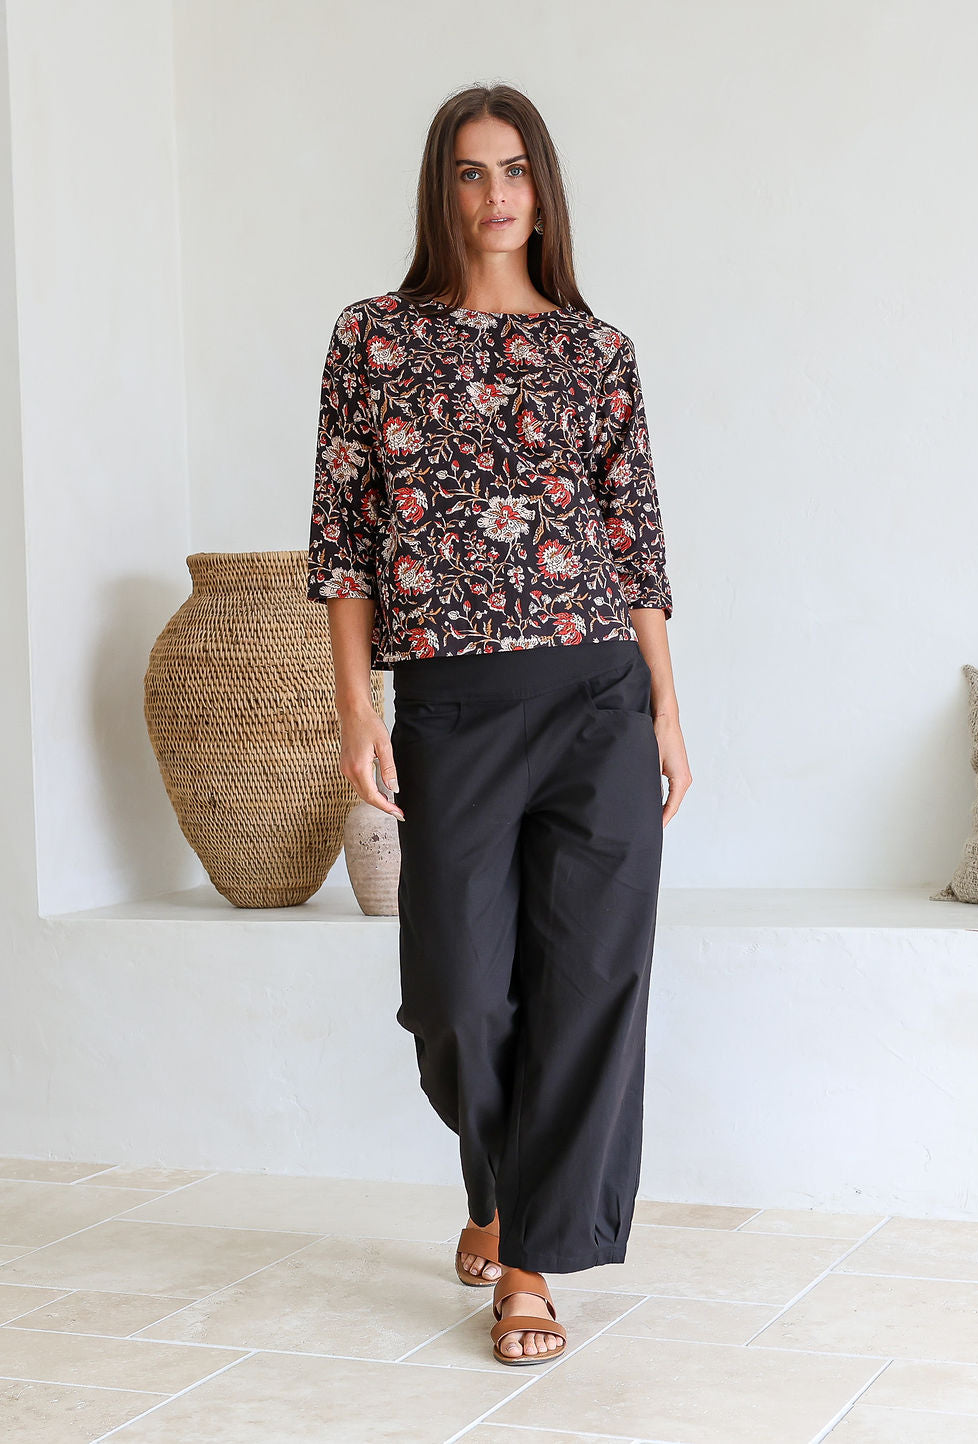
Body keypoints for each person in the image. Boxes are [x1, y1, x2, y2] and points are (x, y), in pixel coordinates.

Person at [307, 83, 692, 1366]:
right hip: (453, 703)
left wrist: (666, 710)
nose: (495, 194)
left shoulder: (597, 351)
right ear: (442, 189)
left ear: (543, 187)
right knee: (457, 1000)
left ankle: (527, 1260)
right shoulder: (374, 339)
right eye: (470, 172)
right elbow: (343, 542)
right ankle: (497, 1181)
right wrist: (356, 704)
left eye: (514, 169)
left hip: (597, 696)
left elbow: (634, 544)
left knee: (587, 986)